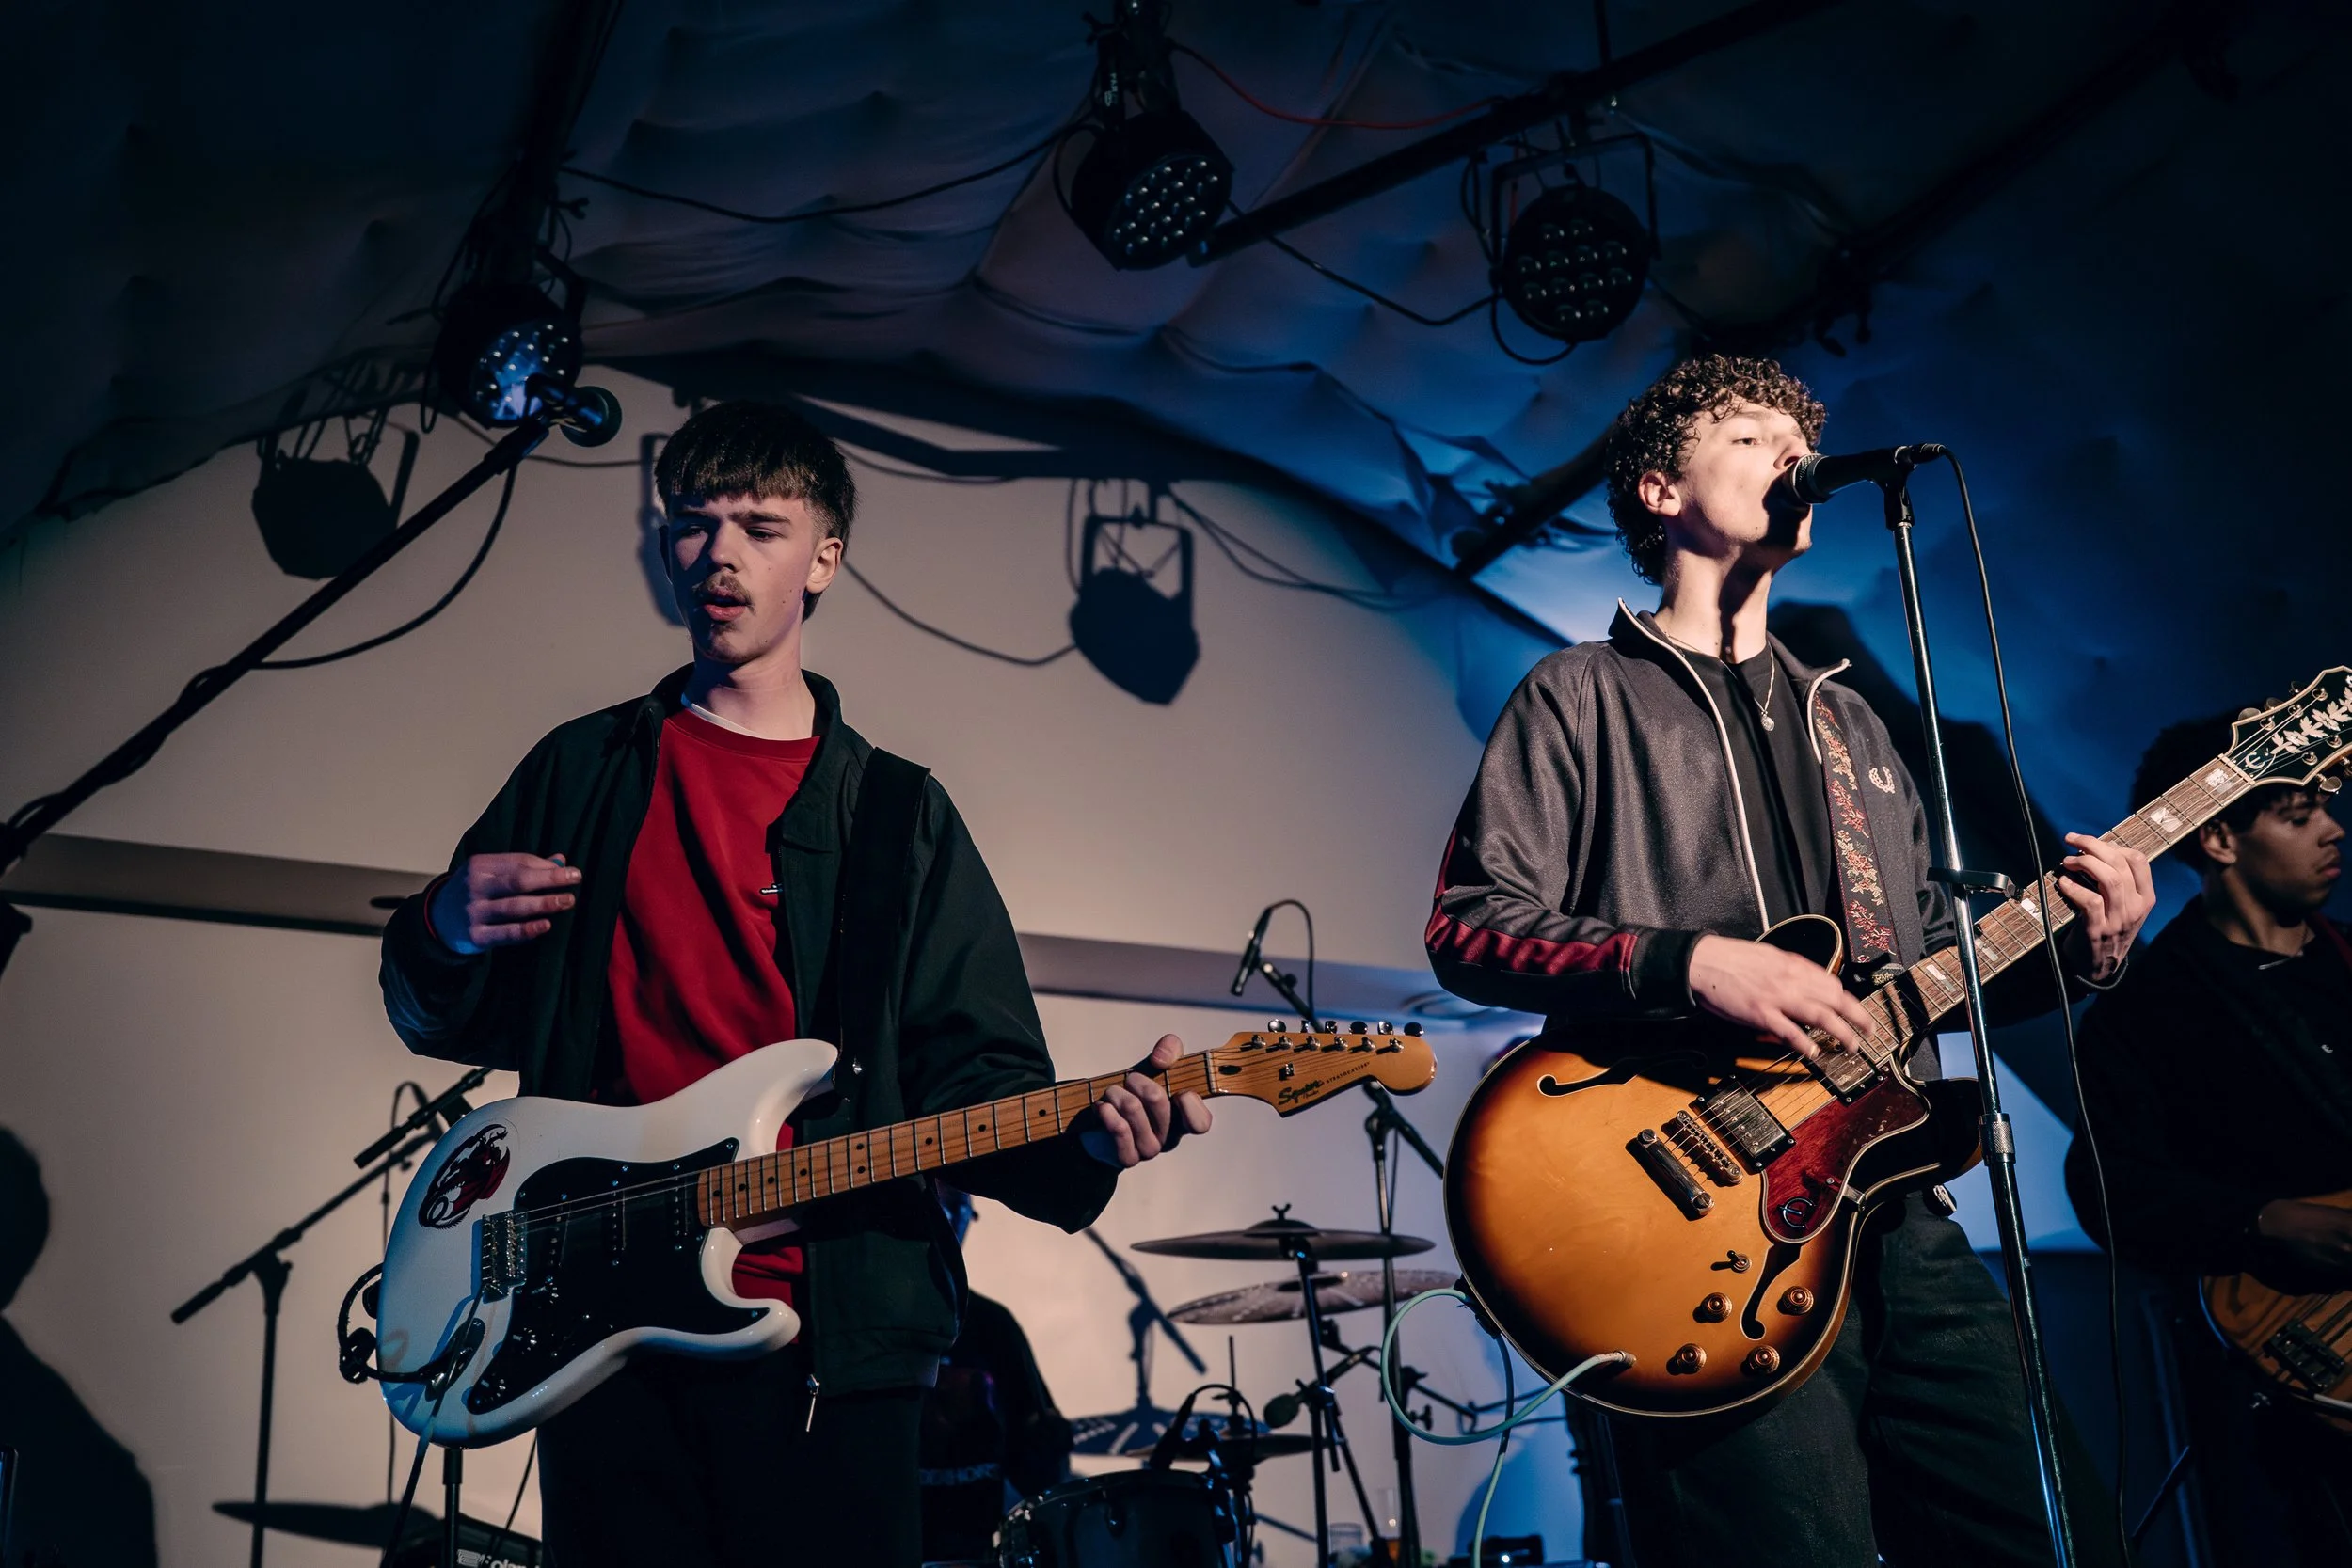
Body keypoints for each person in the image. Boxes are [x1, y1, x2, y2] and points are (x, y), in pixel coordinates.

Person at [378, 400, 1209, 1568]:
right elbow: (434, 1007)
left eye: (761, 526)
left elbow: (979, 1079)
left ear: (823, 560)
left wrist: (1091, 1138)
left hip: (831, 1339)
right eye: (692, 522)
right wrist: (442, 925)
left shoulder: (898, 818)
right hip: (593, 1326)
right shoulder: (582, 769)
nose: (717, 552)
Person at [1425, 355, 2153, 1568]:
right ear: (1659, 489)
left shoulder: (1850, 722)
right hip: (1696, 1219)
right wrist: (1692, 962)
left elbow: (1924, 970)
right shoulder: (1577, 696)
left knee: (2050, 1536)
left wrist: (2084, 950)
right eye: (1751, 436)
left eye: (1795, 439)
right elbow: (1470, 921)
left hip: (1892, 1209)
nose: (1789, 457)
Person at [2065, 712, 2352, 1564]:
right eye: (2298, 815)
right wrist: (2261, 1220)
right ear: (2220, 837)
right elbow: (2110, 1191)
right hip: (2285, 1379)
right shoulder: (2145, 1010)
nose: (2334, 828)